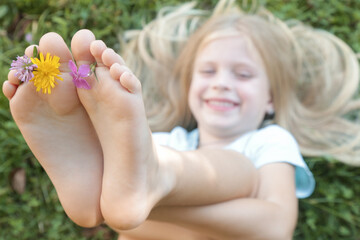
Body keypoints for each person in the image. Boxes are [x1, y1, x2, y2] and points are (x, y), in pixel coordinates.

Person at [3, 0, 360, 239]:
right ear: (189, 87)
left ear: (270, 99)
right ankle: (102, 176)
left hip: (159, 192)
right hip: (156, 177)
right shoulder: (166, 143)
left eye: (243, 74)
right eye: (208, 71)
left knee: (237, 169)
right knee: (145, 171)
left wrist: (154, 205)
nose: (221, 82)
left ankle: (137, 184)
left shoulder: (269, 140)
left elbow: (275, 225)